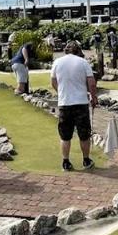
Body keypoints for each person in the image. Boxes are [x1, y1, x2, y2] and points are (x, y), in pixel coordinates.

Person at [51, 41, 96, 171]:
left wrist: (61, 92)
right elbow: (91, 83)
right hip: (81, 103)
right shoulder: (83, 62)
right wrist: (94, 98)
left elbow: (53, 81)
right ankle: (86, 160)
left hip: (65, 103)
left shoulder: (57, 62)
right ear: (78, 51)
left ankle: (66, 162)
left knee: (65, 135)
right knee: (84, 134)